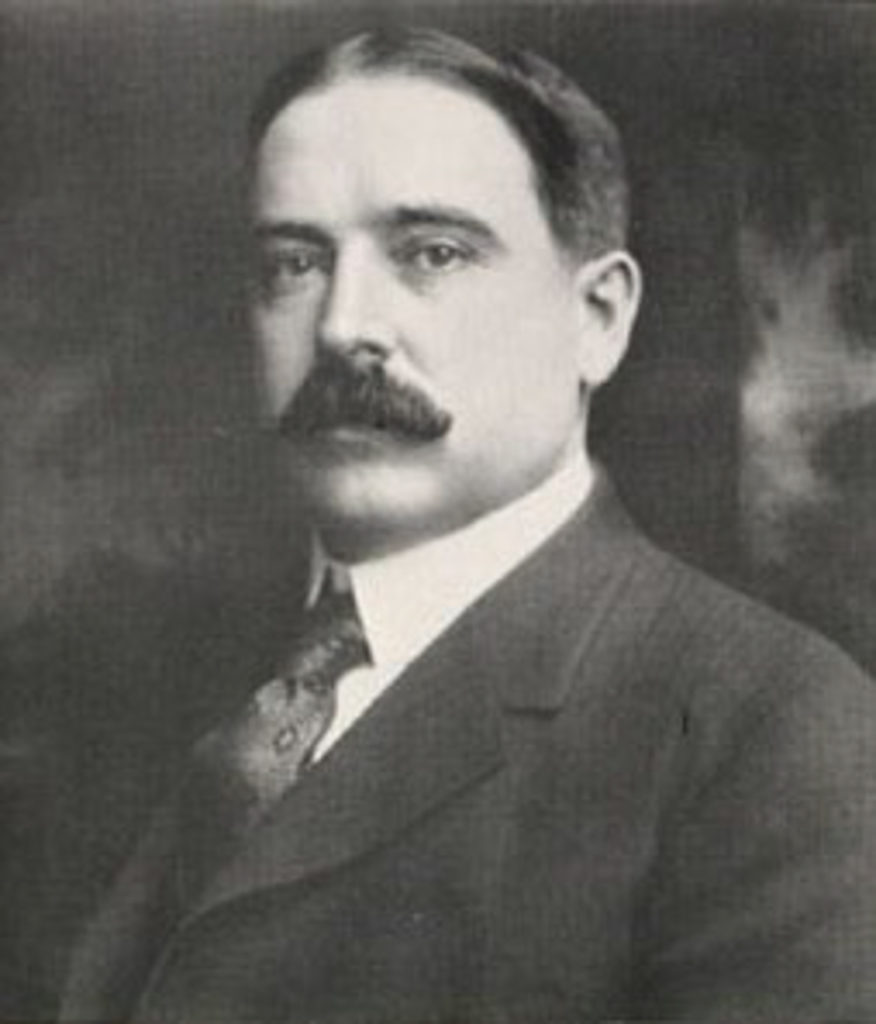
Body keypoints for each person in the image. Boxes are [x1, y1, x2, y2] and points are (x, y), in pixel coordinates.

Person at [60, 26, 876, 1022]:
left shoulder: (772, 729)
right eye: (293, 263)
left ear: (600, 317)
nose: (344, 323)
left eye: (433, 252)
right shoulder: (164, 682)